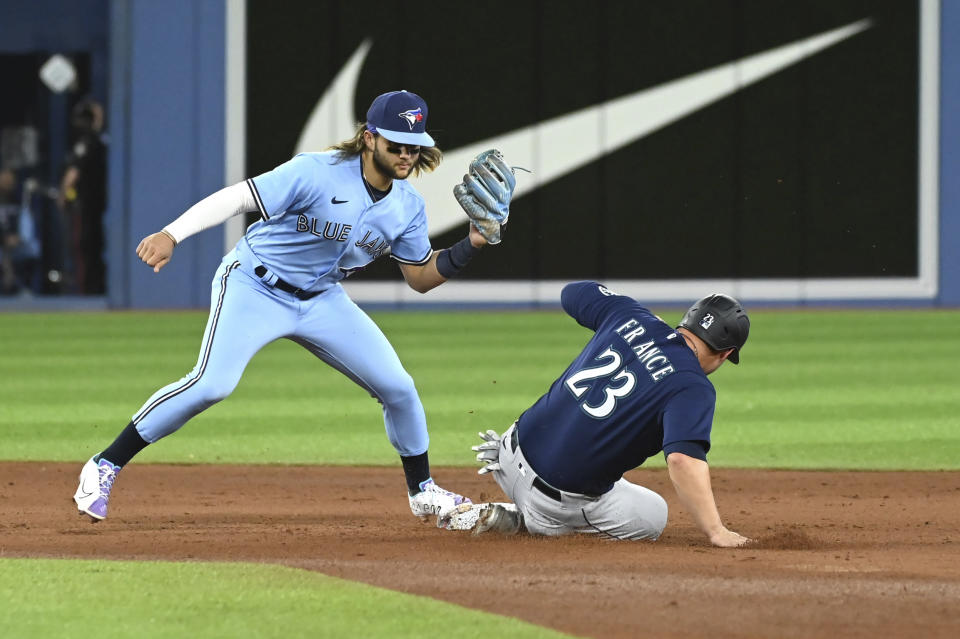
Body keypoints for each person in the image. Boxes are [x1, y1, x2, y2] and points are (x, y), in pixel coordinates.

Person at [73, 90, 489, 523]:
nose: (405, 153)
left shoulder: (406, 207)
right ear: (369, 138)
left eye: (412, 145)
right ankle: (104, 464)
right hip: (255, 285)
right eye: (394, 143)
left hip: (322, 299)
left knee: (399, 388)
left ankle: (422, 492)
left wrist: (472, 244)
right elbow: (238, 198)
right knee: (212, 385)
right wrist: (171, 234)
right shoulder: (317, 172)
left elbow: (421, 276)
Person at [447, 280, 752, 547]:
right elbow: (681, 459)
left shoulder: (630, 316)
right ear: (725, 353)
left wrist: (629, 311)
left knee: (608, 471)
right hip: (550, 503)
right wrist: (715, 531)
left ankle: (527, 505)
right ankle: (525, 521)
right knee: (653, 514)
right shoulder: (693, 386)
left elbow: (572, 293)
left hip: (506, 455)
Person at [59, 98, 108, 294]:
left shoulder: (94, 140)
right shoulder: (87, 140)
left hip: (92, 205)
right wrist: (64, 194)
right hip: (84, 204)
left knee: (91, 247)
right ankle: (85, 291)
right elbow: (74, 172)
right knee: (84, 248)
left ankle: (90, 289)